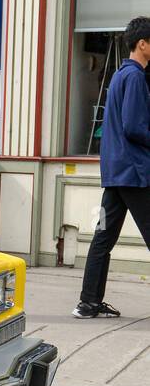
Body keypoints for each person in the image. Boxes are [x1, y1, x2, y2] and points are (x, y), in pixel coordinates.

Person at [74, 16, 150, 318]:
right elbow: (134, 126)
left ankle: (88, 303)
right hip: (134, 175)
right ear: (142, 44)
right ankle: (88, 301)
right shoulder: (134, 77)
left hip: (117, 175)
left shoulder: (121, 75)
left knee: (102, 237)